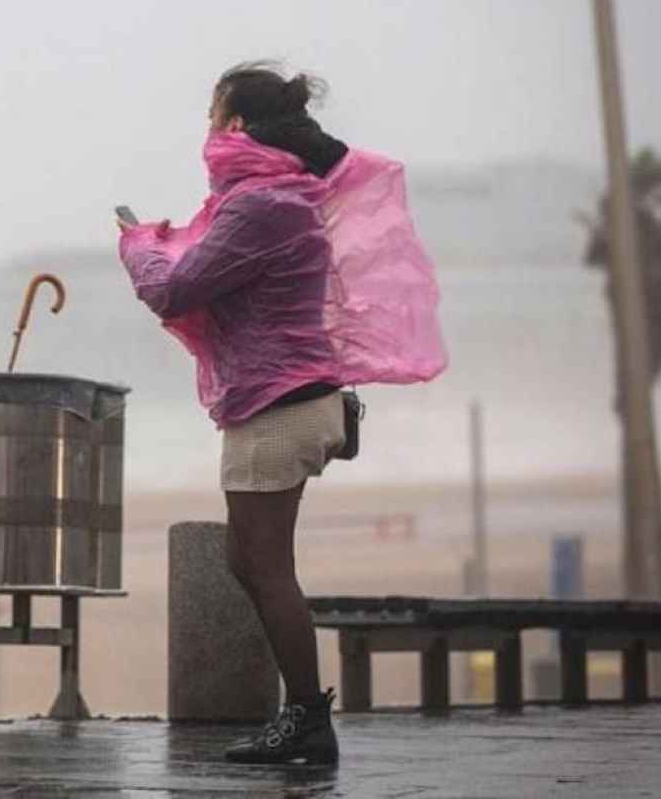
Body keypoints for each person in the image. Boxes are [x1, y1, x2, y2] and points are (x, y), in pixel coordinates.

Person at [120, 62, 444, 765]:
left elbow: (176, 289)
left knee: (266, 568)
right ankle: (301, 715)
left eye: (212, 114)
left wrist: (138, 246)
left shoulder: (261, 204)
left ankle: (305, 719)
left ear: (236, 125)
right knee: (248, 560)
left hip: (277, 408)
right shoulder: (277, 198)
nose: (206, 129)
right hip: (289, 400)